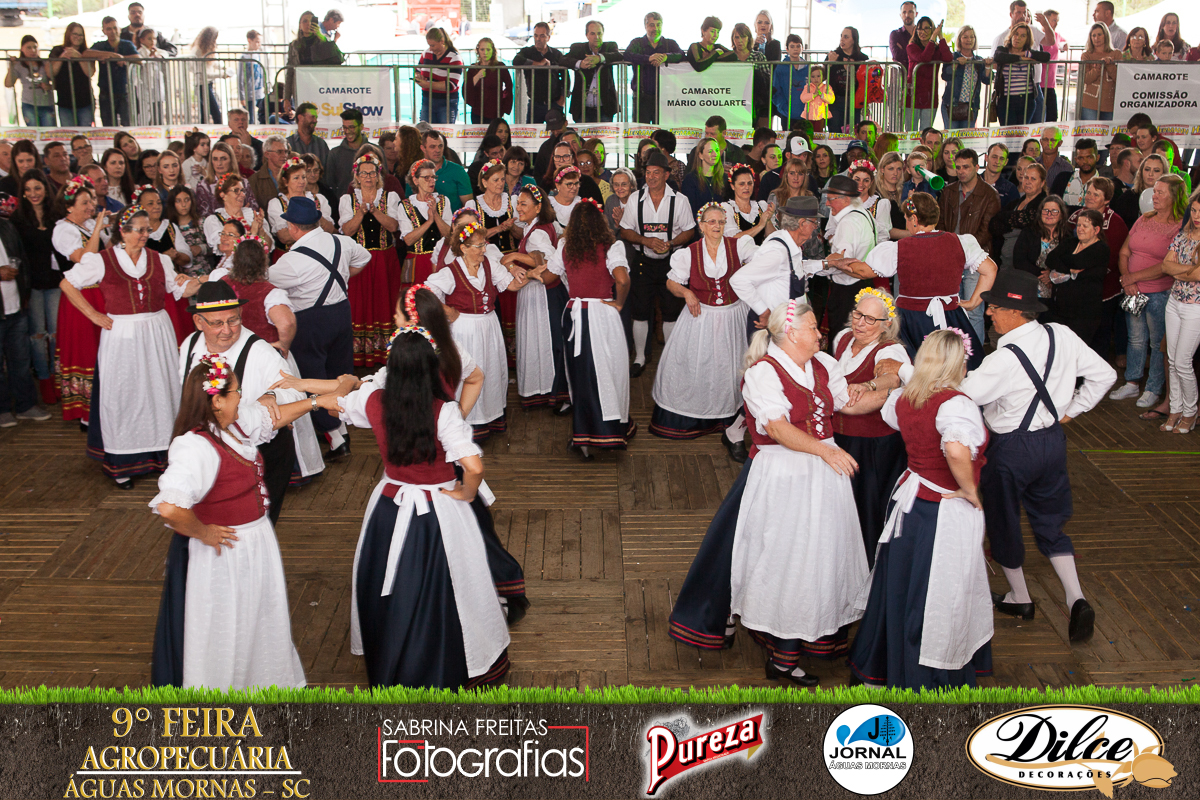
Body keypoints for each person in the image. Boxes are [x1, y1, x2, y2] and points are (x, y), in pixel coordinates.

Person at [932, 269, 1114, 644]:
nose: (989, 314)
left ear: (1016, 313)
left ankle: (1019, 596)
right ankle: (1076, 596)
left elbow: (963, 396)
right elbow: (1106, 375)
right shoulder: (1061, 334)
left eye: (994, 308)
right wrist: (1070, 410)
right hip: (1052, 442)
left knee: (1003, 520)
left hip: (1011, 449)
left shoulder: (1003, 359)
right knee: (1051, 520)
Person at [334, 325, 510, 688]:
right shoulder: (442, 410)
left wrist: (301, 390)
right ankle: (447, 661)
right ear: (431, 366)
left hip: (390, 504)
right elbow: (473, 465)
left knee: (391, 580)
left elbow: (339, 403)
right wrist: (467, 492)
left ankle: (394, 658)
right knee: (457, 584)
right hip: (440, 507)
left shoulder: (374, 401)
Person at [731, 300, 869, 684]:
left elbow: (847, 402)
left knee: (822, 555)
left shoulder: (823, 364)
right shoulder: (763, 373)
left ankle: (813, 635)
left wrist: (900, 390)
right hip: (785, 476)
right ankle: (783, 655)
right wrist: (826, 450)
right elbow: (775, 427)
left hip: (824, 474)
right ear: (792, 334)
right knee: (790, 559)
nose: (820, 334)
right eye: (813, 328)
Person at [848, 328, 992, 690]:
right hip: (940, 510)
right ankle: (926, 678)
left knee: (898, 586)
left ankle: (881, 668)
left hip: (909, 505)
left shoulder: (904, 397)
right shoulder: (956, 403)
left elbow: (896, 421)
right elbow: (956, 449)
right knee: (935, 593)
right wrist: (968, 489)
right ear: (959, 362)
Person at [58, 206, 200, 487]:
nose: (145, 235)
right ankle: (123, 461)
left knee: (160, 389)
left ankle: (162, 454)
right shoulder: (102, 260)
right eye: (139, 230)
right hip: (121, 334)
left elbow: (179, 290)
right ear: (122, 232)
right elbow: (67, 283)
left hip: (157, 332)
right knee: (124, 393)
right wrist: (95, 315)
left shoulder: (160, 259)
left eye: (148, 229)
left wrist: (204, 280)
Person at [828, 193, 996, 369]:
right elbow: (990, 270)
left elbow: (863, 271)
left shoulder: (900, 248)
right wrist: (973, 302)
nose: (907, 224)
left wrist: (838, 262)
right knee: (955, 368)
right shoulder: (960, 242)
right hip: (951, 316)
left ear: (914, 219)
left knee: (911, 369)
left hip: (911, 321)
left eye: (907, 219)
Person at [269, 197, 371, 456]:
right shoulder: (341, 241)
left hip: (310, 321)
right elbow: (365, 257)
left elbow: (266, 284)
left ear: (293, 227)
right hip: (341, 313)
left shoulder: (290, 261)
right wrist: (341, 275)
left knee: (311, 376)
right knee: (340, 370)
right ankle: (344, 425)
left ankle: (336, 438)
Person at [651, 203, 757, 451]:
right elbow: (671, 282)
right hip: (702, 317)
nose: (716, 226)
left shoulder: (739, 246)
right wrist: (687, 292)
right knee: (699, 365)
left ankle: (730, 420)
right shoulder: (688, 253)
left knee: (731, 366)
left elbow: (760, 266)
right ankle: (696, 417)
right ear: (701, 226)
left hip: (733, 316)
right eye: (711, 222)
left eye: (720, 222)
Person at [546, 201, 633, 456]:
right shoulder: (612, 246)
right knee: (610, 369)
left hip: (577, 314)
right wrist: (618, 302)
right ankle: (613, 428)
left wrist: (527, 272)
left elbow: (550, 277)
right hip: (604, 315)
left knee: (581, 376)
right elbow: (622, 279)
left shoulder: (565, 247)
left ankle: (583, 437)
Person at [426, 220, 526, 440]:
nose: (484, 249)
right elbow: (425, 293)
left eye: (484, 244)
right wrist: (449, 312)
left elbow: (510, 284)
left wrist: (527, 276)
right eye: (479, 246)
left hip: (489, 326)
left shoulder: (489, 264)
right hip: (464, 329)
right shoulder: (451, 271)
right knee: (467, 373)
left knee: (490, 370)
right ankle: (468, 423)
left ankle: (491, 417)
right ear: (463, 248)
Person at [1109, 175, 1186, 410]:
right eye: (1155, 192)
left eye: (1161, 192)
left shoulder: (1179, 226)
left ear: (1174, 197)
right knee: (1135, 338)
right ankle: (1132, 381)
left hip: (1158, 293)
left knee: (1156, 343)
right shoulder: (1144, 218)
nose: (1155, 196)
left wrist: (1134, 278)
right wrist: (1127, 279)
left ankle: (1153, 387)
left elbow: (1166, 264)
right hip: (1133, 290)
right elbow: (1124, 251)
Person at [619, 150, 696, 374]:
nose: (651, 177)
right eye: (648, 172)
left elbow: (690, 231)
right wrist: (646, 240)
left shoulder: (680, 201)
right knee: (640, 310)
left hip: (671, 264)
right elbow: (624, 230)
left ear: (666, 175)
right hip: (643, 262)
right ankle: (640, 357)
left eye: (656, 173)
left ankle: (669, 359)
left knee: (671, 311)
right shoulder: (635, 199)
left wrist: (670, 243)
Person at [499, 185, 569, 411]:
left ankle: (550, 392)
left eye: (523, 204)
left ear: (538, 207)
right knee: (545, 342)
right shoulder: (539, 226)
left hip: (543, 294)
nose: (518, 207)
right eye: (518, 203)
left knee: (545, 341)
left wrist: (515, 255)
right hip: (540, 291)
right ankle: (548, 390)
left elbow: (546, 261)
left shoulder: (538, 231)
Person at [339, 155, 401, 368]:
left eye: (372, 173)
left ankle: (384, 355)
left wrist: (374, 210)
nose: (368, 177)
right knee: (360, 303)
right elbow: (347, 231)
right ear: (356, 176)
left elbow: (393, 227)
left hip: (384, 259)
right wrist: (361, 212)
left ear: (378, 176)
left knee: (384, 302)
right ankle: (360, 356)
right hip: (359, 260)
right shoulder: (347, 200)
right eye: (363, 173)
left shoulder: (389, 197)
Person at [940, 149, 1001, 341]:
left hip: (977, 260)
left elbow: (987, 232)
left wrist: (962, 253)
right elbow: (940, 225)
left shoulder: (990, 195)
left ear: (976, 167)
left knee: (974, 312)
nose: (961, 171)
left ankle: (976, 359)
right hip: (950, 260)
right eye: (958, 167)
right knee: (952, 309)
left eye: (966, 167)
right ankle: (956, 355)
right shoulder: (948, 192)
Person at [1159, 192, 1200, 433]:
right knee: (1173, 360)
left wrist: (1180, 271)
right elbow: (1165, 265)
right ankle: (1175, 409)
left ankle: (1190, 411)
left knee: (1183, 361)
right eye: (1194, 211)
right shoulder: (1183, 235)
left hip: (1196, 306)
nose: (1196, 216)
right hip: (1175, 301)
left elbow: (1198, 275)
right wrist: (1188, 270)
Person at [1044, 208, 1110, 347]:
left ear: (1096, 230)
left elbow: (1078, 262)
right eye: (1078, 225)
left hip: (1085, 313)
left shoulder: (1101, 249)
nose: (1080, 229)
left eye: (1085, 226)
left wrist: (1064, 263)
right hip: (1061, 309)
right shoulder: (1070, 242)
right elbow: (1050, 259)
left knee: (1076, 350)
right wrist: (1070, 270)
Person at [624, 12, 684, 125]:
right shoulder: (637, 43)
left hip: (664, 97)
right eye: (652, 25)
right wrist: (648, 59)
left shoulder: (669, 44)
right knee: (640, 132)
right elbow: (627, 55)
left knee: (662, 133)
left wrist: (666, 57)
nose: (655, 28)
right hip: (642, 97)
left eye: (658, 25)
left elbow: (681, 55)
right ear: (645, 26)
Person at [560, 21, 624, 124]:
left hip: (605, 106)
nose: (596, 37)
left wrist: (599, 58)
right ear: (587, 35)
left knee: (604, 138)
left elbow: (619, 56)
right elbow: (562, 59)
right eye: (592, 33)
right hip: (582, 107)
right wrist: (580, 64)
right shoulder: (578, 48)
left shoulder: (610, 46)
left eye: (599, 33)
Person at [990, 163, 1047, 270]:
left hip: (1025, 266)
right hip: (1004, 262)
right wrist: (1013, 221)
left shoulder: (1044, 204)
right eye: (1026, 177)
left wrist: (1007, 220)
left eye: (1033, 179)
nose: (1028, 182)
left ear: (1042, 183)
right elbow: (993, 224)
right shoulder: (1015, 203)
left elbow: (1027, 220)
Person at [87, 16, 139, 128]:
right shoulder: (101, 45)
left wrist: (122, 58)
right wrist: (108, 55)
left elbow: (139, 59)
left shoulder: (127, 45)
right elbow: (86, 53)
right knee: (108, 126)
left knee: (129, 125)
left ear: (119, 29)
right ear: (104, 31)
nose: (113, 31)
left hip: (125, 91)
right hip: (106, 92)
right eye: (109, 29)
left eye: (115, 28)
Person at [284, 11, 343, 108]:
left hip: (320, 88)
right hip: (300, 88)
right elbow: (290, 72)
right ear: (300, 25)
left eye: (311, 21)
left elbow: (339, 58)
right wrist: (286, 98)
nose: (308, 24)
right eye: (305, 21)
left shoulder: (323, 41)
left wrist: (322, 38)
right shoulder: (294, 45)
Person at [994, 24, 1050, 126]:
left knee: (1022, 132)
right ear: (1011, 35)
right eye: (1016, 34)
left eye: (1023, 36)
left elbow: (1046, 57)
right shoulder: (1002, 50)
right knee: (1008, 133)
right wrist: (1020, 58)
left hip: (1026, 99)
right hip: (1006, 99)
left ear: (1027, 39)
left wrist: (1025, 54)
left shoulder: (1029, 53)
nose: (1018, 38)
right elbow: (998, 57)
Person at [511, 22, 567, 124]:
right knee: (532, 134)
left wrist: (562, 100)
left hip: (554, 102)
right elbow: (516, 61)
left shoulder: (556, 54)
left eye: (542, 36)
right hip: (535, 103)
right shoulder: (527, 52)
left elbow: (566, 77)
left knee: (557, 134)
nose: (538, 39)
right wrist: (536, 64)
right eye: (536, 35)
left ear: (548, 38)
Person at [906, 17, 951, 132]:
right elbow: (924, 58)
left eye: (927, 28)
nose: (923, 32)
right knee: (911, 132)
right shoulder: (912, 47)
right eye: (920, 29)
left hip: (929, 96)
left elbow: (948, 58)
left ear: (933, 29)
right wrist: (932, 38)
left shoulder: (936, 48)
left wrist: (940, 36)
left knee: (926, 132)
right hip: (912, 96)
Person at [941, 26, 991, 129]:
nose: (969, 40)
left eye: (972, 37)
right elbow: (945, 75)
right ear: (959, 39)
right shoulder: (952, 57)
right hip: (951, 105)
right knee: (952, 137)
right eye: (965, 37)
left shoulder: (978, 60)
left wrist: (987, 66)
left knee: (967, 139)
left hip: (971, 107)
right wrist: (955, 65)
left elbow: (986, 80)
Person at [50, 24, 95, 127]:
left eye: (81, 35)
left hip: (85, 101)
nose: (78, 37)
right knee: (68, 133)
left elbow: (90, 72)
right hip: (64, 101)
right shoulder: (57, 50)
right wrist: (62, 57)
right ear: (68, 34)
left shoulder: (87, 52)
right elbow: (51, 72)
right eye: (75, 34)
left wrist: (78, 56)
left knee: (85, 132)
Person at [415, 129, 471, 213]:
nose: (437, 150)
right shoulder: (415, 170)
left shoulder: (458, 171)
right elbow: (410, 201)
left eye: (440, 146)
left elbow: (469, 206)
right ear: (423, 148)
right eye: (432, 146)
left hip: (452, 223)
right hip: (420, 223)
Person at [6, 36, 55, 127]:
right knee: (34, 133)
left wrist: (50, 87)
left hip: (47, 104)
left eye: (35, 47)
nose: (33, 50)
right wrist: (11, 67)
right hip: (29, 104)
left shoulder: (45, 63)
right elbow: (8, 84)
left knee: (49, 132)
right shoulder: (19, 65)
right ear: (22, 49)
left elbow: (57, 81)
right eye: (29, 47)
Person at [416, 27, 463, 124]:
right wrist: (418, 77)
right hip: (427, 100)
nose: (430, 48)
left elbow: (451, 85)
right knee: (425, 132)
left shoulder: (454, 58)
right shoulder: (425, 54)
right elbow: (417, 70)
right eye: (429, 45)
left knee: (445, 133)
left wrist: (427, 84)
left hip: (447, 102)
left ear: (442, 41)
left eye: (433, 45)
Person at [463, 38, 512, 125]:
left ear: (493, 51)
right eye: (482, 49)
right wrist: (478, 76)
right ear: (478, 50)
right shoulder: (473, 68)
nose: (485, 53)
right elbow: (467, 87)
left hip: (495, 111)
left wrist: (504, 106)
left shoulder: (500, 66)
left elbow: (509, 85)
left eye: (488, 49)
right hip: (477, 111)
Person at [325, 108, 370, 199]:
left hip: (373, 206)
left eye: (352, 127)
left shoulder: (375, 151)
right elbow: (329, 185)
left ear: (361, 127)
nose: (348, 131)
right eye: (345, 127)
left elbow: (383, 181)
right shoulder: (335, 154)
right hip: (343, 208)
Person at [1081, 23, 1119, 121]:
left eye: (1099, 35)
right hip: (1090, 103)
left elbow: (1119, 78)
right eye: (1093, 35)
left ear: (1106, 35)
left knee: (1108, 135)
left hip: (1110, 103)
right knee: (1090, 133)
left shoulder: (1116, 54)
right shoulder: (1086, 55)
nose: (1096, 38)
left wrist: (1109, 65)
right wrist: (1097, 68)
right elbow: (1086, 79)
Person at [724, 166, 772, 246]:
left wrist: (768, 219)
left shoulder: (761, 206)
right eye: (742, 184)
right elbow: (733, 240)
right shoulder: (728, 209)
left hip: (759, 256)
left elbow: (772, 237)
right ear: (732, 186)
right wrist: (760, 225)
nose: (747, 187)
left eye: (750, 183)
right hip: (738, 257)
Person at [188, 27, 226, 124]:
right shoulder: (199, 51)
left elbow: (212, 63)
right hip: (202, 84)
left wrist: (223, 68)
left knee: (204, 113)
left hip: (206, 84)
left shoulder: (202, 49)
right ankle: (220, 132)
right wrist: (221, 74)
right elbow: (203, 72)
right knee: (215, 112)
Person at [680, 137, 729, 212]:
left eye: (717, 150)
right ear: (700, 155)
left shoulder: (724, 178)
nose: (715, 154)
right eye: (710, 151)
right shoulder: (691, 179)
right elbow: (689, 208)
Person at [772, 35, 809, 132]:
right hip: (786, 113)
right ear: (787, 49)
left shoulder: (808, 67)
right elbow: (775, 90)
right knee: (788, 140)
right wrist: (783, 107)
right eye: (792, 46)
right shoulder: (781, 68)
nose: (795, 49)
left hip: (804, 112)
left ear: (802, 48)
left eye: (798, 46)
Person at [890, 1, 919, 127]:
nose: (907, 15)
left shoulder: (921, 34)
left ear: (916, 14)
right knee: (896, 120)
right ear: (900, 15)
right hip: (898, 82)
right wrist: (914, 53)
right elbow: (897, 55)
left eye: (910, 12)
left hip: (918, 82)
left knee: (912, 122)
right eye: (904, 12)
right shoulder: (895, 34)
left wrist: (906, 50)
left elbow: (923, 57)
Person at [1050, 139, 1100, 207]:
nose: (1085, 161)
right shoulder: (1062, 179)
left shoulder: (1104, 184)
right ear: (1076, 159)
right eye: (1081, 158)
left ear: (1097, 158)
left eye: (1089, 157)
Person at [799, 66, 834, 133]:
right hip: (808, 116)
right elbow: (803, 98)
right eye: (813, 76)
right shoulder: (807, 87)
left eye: (818, 76)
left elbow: (831, 99)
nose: (816, 79)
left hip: (821, 116)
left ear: (823, 77)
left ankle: (818, 143)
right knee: (808, 133)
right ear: (809, 78)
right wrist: (813, 95)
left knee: (819, 133)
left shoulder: (826, 87)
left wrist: (822, 95)